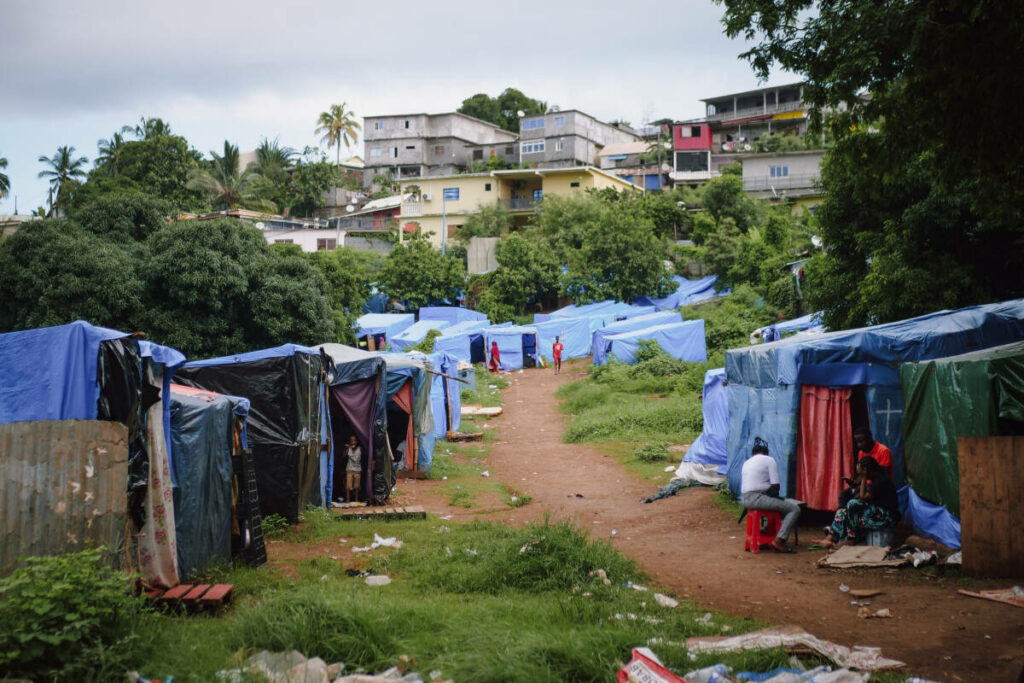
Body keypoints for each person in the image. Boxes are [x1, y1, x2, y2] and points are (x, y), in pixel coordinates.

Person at [740, 437, 803, 553]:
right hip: (757, 498)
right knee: (794, 509)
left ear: (753, 453)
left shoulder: (747, 462)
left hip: (745, 499)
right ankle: (779, 541)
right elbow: (776, 486)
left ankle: (764, 531)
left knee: (778, 507)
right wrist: (771, 491)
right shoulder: (769, 460)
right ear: (766, 453)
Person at [821, 455, 899, 548]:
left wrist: (864, 477)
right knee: (843, 512)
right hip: (876, 512)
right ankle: (830, 538)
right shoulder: (876, 479)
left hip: (886, 516)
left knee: (852, 504)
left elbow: (863, 497)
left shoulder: (880, 481)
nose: (860, 476)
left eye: (861, 473)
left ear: (866, 470)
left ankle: (850, 539)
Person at [838, 428, 894, 508]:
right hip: (865, 485)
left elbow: (885, 475)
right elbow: (861, 474)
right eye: (857, 442)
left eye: (861, 441)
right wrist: (855, 483)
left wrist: (865, 478)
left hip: (879, 487)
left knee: (855, 502)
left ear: (869, 438)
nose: (859, 445)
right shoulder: (861, 453)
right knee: (844, 495)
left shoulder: (883, 451)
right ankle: (844, 518)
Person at [344, 435, 362, 503]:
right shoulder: (348, 449)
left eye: (354, 440)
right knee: (348, 486)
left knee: (357, 486)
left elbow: (356, 459)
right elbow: (344, 455)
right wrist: (347, 448)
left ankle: (356, 500)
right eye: (351, 441)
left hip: (357, 470)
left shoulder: (360, 448)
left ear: (357, 442)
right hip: (349, 469)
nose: (353, 442)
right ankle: (348, 500)